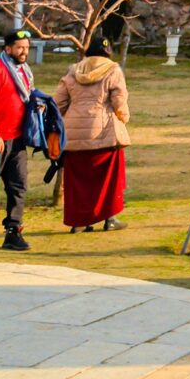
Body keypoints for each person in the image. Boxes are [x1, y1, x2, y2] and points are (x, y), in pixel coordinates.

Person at [0, 28, 44, 251]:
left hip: (18, 139)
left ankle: (13, 232)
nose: (24, 52)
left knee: (18, 185)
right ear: (8, 48)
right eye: (20, 48)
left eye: (26, 48)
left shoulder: (24, 72)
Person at [57, 36, 130, 232]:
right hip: (103, 132)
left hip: (74, 134)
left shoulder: (73, 71)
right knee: (108, 179)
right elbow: (119, 101)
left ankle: (79, 221)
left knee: (78, 180)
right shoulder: (113, 70)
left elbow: (59, 103)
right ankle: (109, 218)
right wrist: (124, 117)